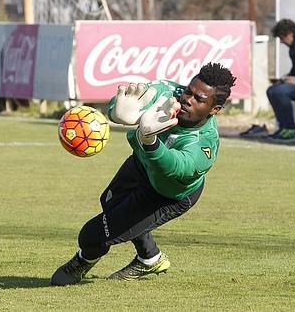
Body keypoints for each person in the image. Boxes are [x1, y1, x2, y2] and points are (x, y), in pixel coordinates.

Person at [50, 63, 236, 286]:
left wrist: (150, 141)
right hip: (141, 166)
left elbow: (174, 167)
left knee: (91, 235)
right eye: (189, 90)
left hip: (168, 194)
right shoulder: (168, 92)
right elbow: (127, 100)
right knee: (108, 203)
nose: (188, 99)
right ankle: (150, 258)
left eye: (200, 99)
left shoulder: (204, 143)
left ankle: (81, 262)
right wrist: (116, 113)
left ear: (215, 109)